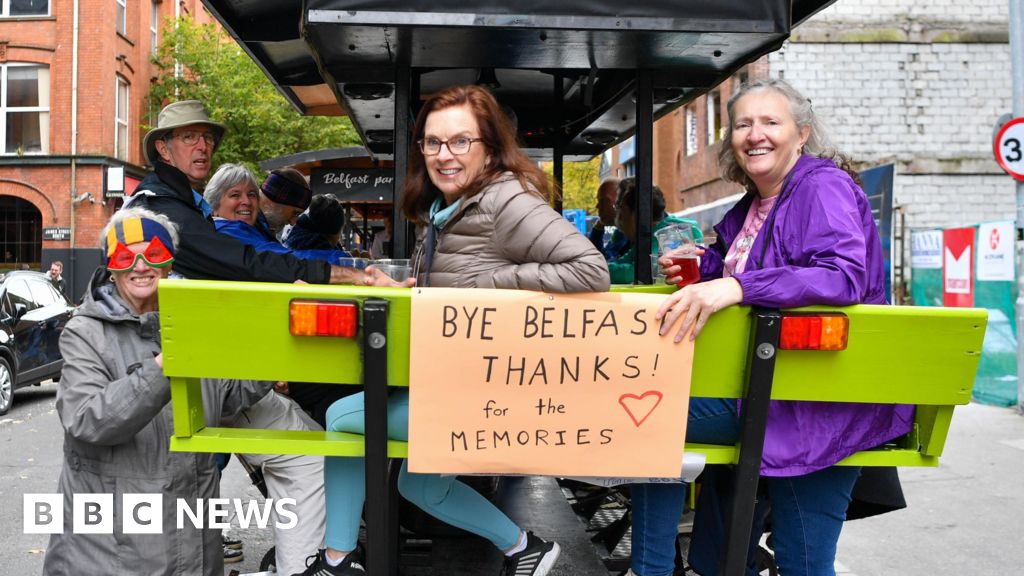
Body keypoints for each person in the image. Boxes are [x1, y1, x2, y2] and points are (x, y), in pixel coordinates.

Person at [297, 85, 610, 576]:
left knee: (341, 418)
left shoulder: (506, 200)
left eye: (461, 141)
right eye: (433, 142)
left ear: (489, 146)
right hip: (458, 382)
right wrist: (411, 287)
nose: (444, 155)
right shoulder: (453, 206)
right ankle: (525, 549)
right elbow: (455, 284)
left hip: (483, 394)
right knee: (421, 487)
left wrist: (485, 284)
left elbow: (591, 270)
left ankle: (337, 561)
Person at [628, 79, 913, 576]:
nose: (754, 134)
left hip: (816, 399)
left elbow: (841, 274)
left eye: (769, 122)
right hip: (770, 389)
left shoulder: (822, 186)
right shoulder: (754, 205)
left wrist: (735, 287)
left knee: (651, 417)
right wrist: (706, 269)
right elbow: (756, 267)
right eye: (743, 124)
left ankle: (651, 570)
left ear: (801, 134)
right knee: (648, 417)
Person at [43, 208, 272, 576]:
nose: (141, 265)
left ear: (169, 263)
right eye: (125, 256)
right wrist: (164, 367)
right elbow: (86, 420)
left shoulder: (191, 320)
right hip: (111, 555)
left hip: (193, 542)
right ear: (110, 267)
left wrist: (278, 350)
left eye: (154, 253)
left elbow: (224, 394)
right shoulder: (84, 332)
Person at [128, 100, 401, 287]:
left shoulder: (180, 202)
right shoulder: (162, 207)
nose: (203, 146)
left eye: (208, 138)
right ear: (163, 149)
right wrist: (350, 274)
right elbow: (246, 262)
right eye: (189, 137)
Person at [204, 163, 351, 266]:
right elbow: (285, 261)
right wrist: (345, 261)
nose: (294, 222)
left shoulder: (249, 228)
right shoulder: (229, 230)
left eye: (252, 195)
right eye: (235, 195)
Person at [607, 179, 702, 284]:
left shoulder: (668, 235)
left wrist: (598, 270)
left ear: (635, 213)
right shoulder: (646, 238)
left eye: (618, 207)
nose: (618, 215)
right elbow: (623, 262)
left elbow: (640, 271)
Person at [588, 178, 628, 260]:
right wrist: (599, 226)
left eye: (603, 201)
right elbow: (599, 256)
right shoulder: (620, 233)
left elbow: (605, 262)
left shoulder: (635, 236)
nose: (597, 206)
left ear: (620, 202)